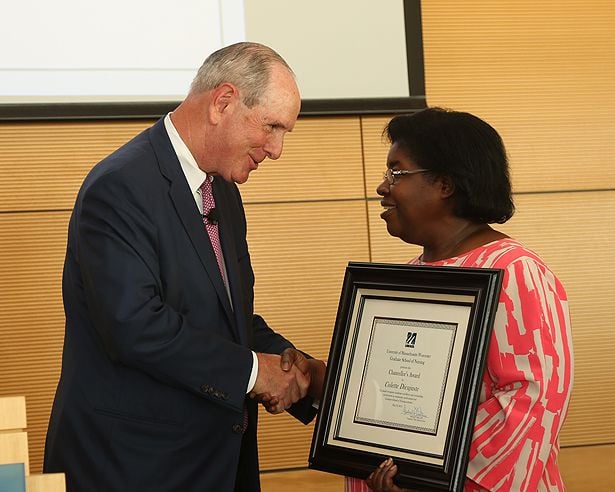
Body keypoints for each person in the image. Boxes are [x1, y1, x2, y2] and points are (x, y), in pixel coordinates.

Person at [43, 42, 326, 491]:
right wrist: (256, 372)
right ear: (224, 102)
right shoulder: (120, 186)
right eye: (272, 126)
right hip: (132, 470)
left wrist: (306, 374)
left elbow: (230, 322)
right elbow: (135, 327)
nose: (277, 150)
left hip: (212, 466)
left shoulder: (223, 193)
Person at [346, 108, 573, 492]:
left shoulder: (516, 272)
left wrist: (428, 480)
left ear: (445, 184)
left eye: (396, 172)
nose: (383, 187)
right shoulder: (406, 275)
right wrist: (330, 382)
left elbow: (532, 401)